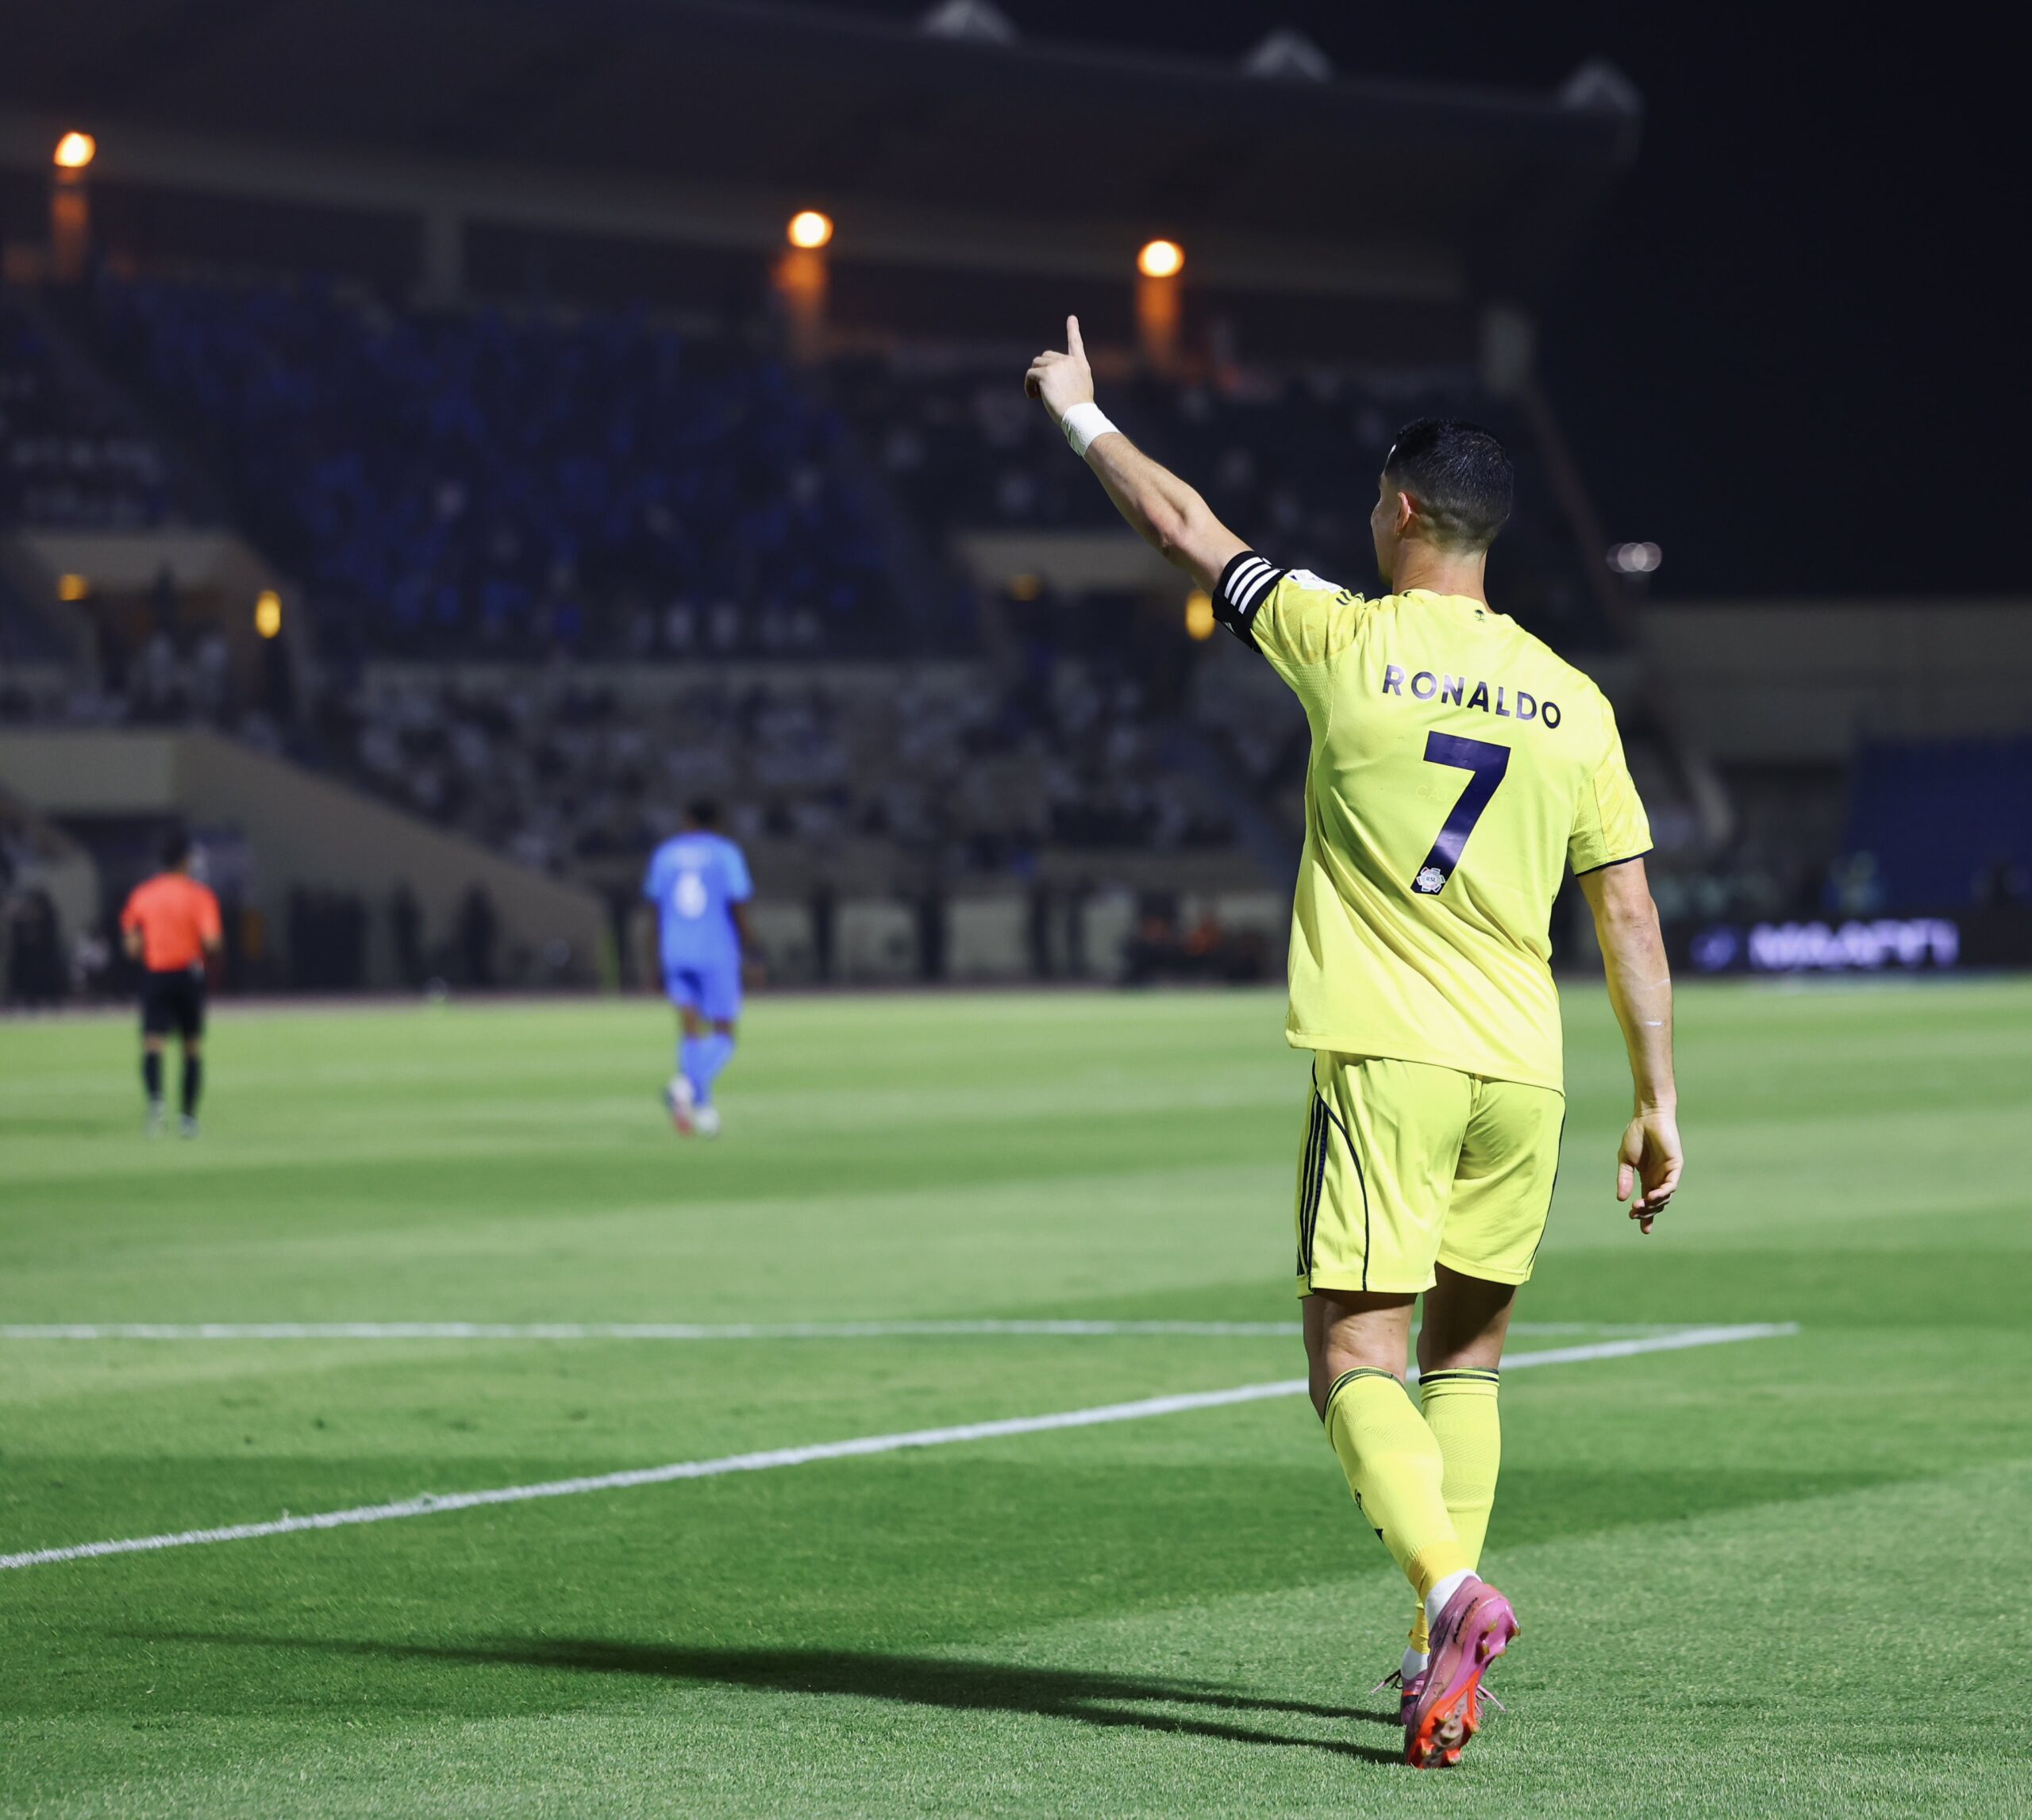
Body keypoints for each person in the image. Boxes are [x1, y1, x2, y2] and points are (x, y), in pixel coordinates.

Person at [1025, 319, 1682, 1768]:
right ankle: (1427, 1655)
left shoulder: (1343, 634)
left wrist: (1079, 413)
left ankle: (1450, 1595)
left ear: (1399, 511)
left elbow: (1183, 525)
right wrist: (1658, 1101)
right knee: (1473, 1357)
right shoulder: (1575, 700)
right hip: (1529, 1069)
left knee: (1350, 1357)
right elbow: (1628, 910)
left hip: (1391, 1053)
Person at [642, 800, 753, 1137]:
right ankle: (688, 1086)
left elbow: (655, 910)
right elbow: (737, 903)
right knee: (724, 1034)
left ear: (686, 819)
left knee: (690, 1031)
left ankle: (702, 1110)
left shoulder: (665, 854)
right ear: (717, 822)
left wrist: (651, 960)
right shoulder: (725, 853)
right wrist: (754, 950)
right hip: (715, 950)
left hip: (675, 950)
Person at [120, 832, 224, 1137]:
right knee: (191, 1048)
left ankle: (155, 1106)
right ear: (185, 860)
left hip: (156, 974)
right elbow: (212, 941)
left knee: (153, 1044)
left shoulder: (143, 895)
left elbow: (132, 947)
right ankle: (188, 1118)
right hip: (188, 976)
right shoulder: (199, 896)